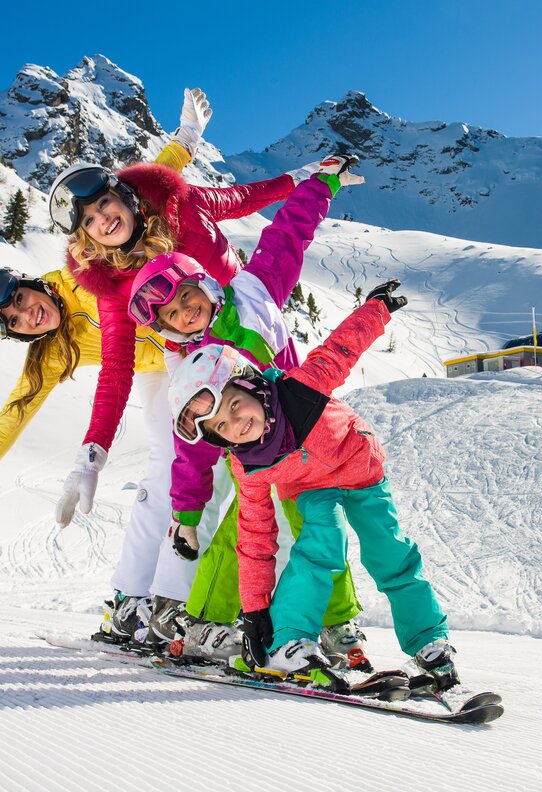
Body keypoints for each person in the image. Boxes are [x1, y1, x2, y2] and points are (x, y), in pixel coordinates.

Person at [46, 107, 326, 650]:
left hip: (251, 331)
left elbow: (243, 199)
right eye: (88, 222)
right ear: (88, 239)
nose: (102, 219)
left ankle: (293, 612)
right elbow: (117, 369)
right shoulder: (113, 284)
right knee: (182, 474)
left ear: (123, 196)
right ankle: (145, 602)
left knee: (284, 470)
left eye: (103, 203)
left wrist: (305, 178)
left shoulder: (182, 207)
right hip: (192, 362)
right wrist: (94, 450)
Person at [126, 155, 374, 669]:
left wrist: (321, 184)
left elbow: (287, 235)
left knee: (318, 527)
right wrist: (187, 516)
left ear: (205, 285)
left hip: (305, 438)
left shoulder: (256, 291)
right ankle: (206, 624)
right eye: (172, 316)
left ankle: (334, 623)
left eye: (187, 298)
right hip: (253, 456)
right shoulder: (194, 365)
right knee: (247, 536)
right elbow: (190, 450)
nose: (185, 313)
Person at [0, 90, 228, 648]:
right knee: (172, 462)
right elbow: (16, 412)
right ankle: (136, 600)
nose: (29, 316)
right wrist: (88, 459)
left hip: (188, 343)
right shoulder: (52, 352)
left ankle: (146, 598)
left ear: (32, 284)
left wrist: (187, 141)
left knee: (198, 464)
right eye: (15, 323)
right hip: (158, 370)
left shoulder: (84, 271)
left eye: (22, 301)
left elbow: (139, 193)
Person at [168, 281, 460, 690]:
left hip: (363, 473)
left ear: (251, 385)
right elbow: (255, 540)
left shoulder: (300, 392)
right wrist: (254, 612)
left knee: (391, 554)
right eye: (221, 427)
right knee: (320, 550)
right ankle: (292, 642)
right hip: (313, 490)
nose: (237, 424)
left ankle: (429, 641)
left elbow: (342, 348)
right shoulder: (249, 465)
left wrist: (376, 309)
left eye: (235, 405)